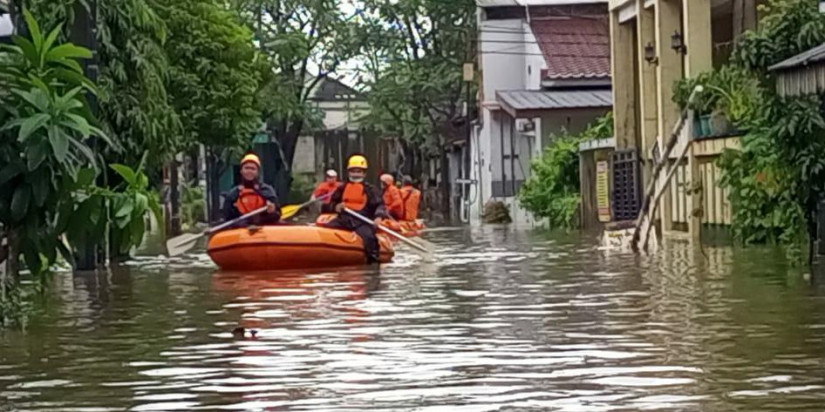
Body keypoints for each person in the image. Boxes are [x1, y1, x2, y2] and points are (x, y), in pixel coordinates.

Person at [326, 154, 389, 263]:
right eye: (353, 171)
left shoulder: (370, 190)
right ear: (348, 172)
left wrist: (378, 217)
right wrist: (336, 207)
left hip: (362, 221)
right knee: (326, 230)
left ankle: (373, 264)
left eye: (359, 171)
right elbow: (331, 204)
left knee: (369, 238)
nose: (355, 174)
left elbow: (380, 205)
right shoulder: (342, 188)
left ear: (364, 173)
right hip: (344, 219)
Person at [223, 153, 280, 227]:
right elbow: (227, 219)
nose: (249, 171)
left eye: (253, 169)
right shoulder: (233, 194)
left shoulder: (267, 190)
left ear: (257, 172)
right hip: (241, 232)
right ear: (241, 171)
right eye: (246, 168)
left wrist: (272, 212)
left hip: (265, 229)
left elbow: (277, 215)